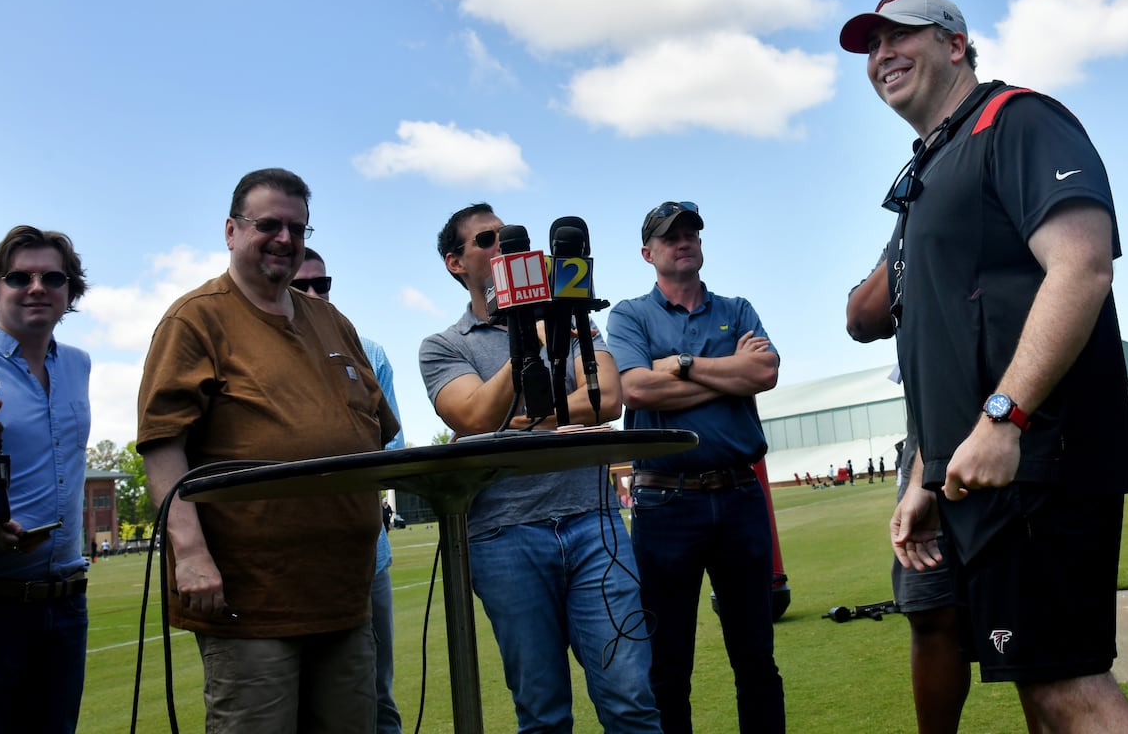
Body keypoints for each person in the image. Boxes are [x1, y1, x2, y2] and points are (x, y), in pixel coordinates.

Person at [842, 0, 1128, 732]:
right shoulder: (931, 166)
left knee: (1064, 687)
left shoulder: (1017, 121)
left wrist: (1005, 417)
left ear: (954, 44)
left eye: (899, 36)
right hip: (976, 473)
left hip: (1036, 462)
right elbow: (935, 346)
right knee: (1034, 682)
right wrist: (925, 477)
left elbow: (1081, 267)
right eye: (870, 46)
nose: (882, 54)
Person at [137, 168, 399, 733]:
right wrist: (191, 555)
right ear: (231, 231)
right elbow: (163, 446)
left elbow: (376, 435)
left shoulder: (334, 323)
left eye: (297, 228)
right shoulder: (196, 319)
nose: (284, 238)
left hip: (344, 597)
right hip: (250, 603)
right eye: (268, 225)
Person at [418, 203, 659, 734]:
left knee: (631, 700)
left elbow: (608, 400)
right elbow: (476, 416)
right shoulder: (443, 347)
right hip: (503, 538)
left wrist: (520, 421)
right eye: (487, 240)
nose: (505, 247)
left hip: (593, 523)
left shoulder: (572, 315)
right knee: (543, 711)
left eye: (508, 238)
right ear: (455, 263)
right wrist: (529, 337)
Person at [608, 200, 784, 734]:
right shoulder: (629, 314)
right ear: (648, 253)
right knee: (667, 664)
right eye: (669, 237)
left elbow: (765, 371)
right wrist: (730, 370)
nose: (683, 241)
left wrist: (681, 365)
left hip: (737, 493)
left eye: (690, 233)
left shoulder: (737, 307)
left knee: (755, 656)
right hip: (666, 501)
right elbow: (634, 387)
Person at [0, 225, 92, 734]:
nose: (37, 286)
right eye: (19, 277)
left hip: (68, 604)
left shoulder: (78, 364)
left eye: (53, 276)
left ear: (70, 292)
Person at [847, 256, 966, 734]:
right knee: (929, 610)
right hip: (926, 446)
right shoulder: (909, 225)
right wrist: (910, 226)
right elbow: (860, 318)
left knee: (1028, 634)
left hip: (1007, 428)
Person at [293, 246, 406, 734]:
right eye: (303, 285)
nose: (316, 294)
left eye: (324, 284)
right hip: (287, 557)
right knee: (293, 705)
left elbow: (394, 444)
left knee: (377, 699)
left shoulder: (369, 351)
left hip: (366, 555)